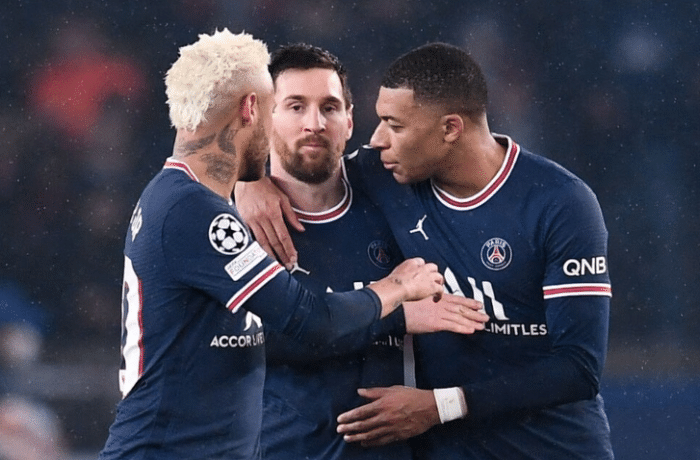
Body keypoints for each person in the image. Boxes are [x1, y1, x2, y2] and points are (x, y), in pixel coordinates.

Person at [98, 30, 483, 460]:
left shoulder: (184, 200)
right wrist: (398, 292)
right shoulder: (197, 212)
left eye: (328, 107)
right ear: (252, 109)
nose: (310, 124)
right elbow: (308, 320)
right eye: (285, 107)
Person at [236, 42, 614, 459]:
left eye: (394, 125)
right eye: (295, 107)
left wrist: (441, 406)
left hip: (551, 448)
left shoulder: (560, 202)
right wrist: (248, 180)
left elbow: (580, 368)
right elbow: (303, 166)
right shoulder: (384, 175)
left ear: (449, 129)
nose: (377, 140)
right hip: (446, 450)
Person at [244, 43, 489, 460]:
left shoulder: (390, 190)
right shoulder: (235, 224)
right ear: (265, 118)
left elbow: (470, 157)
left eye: (330, 107)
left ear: (350, 120)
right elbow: (253, 342)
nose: (315, 124)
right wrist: (397, 314)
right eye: (296, 107)